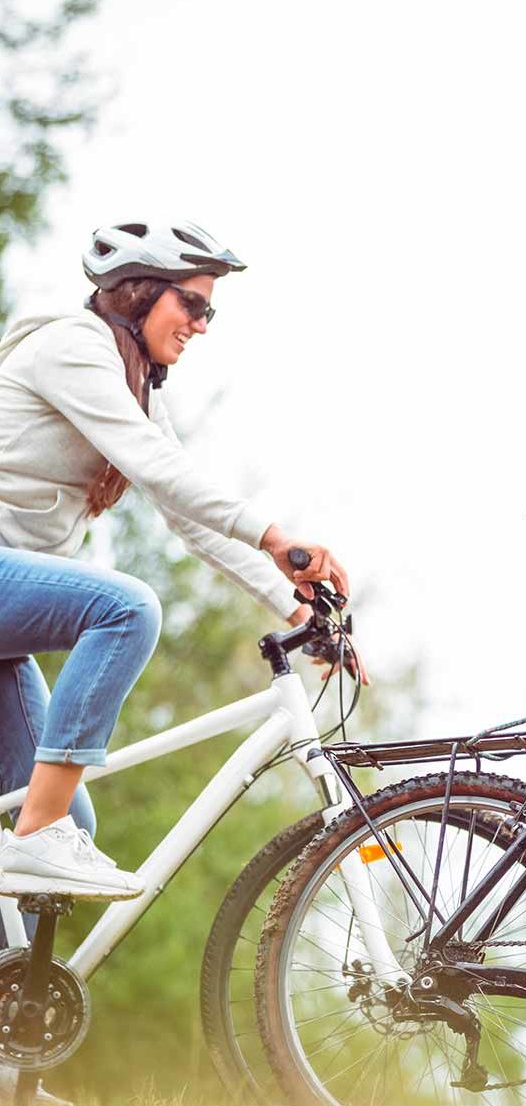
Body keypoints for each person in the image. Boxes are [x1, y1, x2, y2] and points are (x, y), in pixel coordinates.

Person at [0, 219, 357, 910]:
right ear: (137, 294)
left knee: (70, 824)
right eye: (192, 304)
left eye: (209, 310)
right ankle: (32, 836)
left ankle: (18, 1000)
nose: (202, 324)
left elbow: (188, 517)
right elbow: (157, 468)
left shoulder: (136, 386)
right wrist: (274, 536)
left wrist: (299, 610)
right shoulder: (73, 348)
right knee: (126, 608)